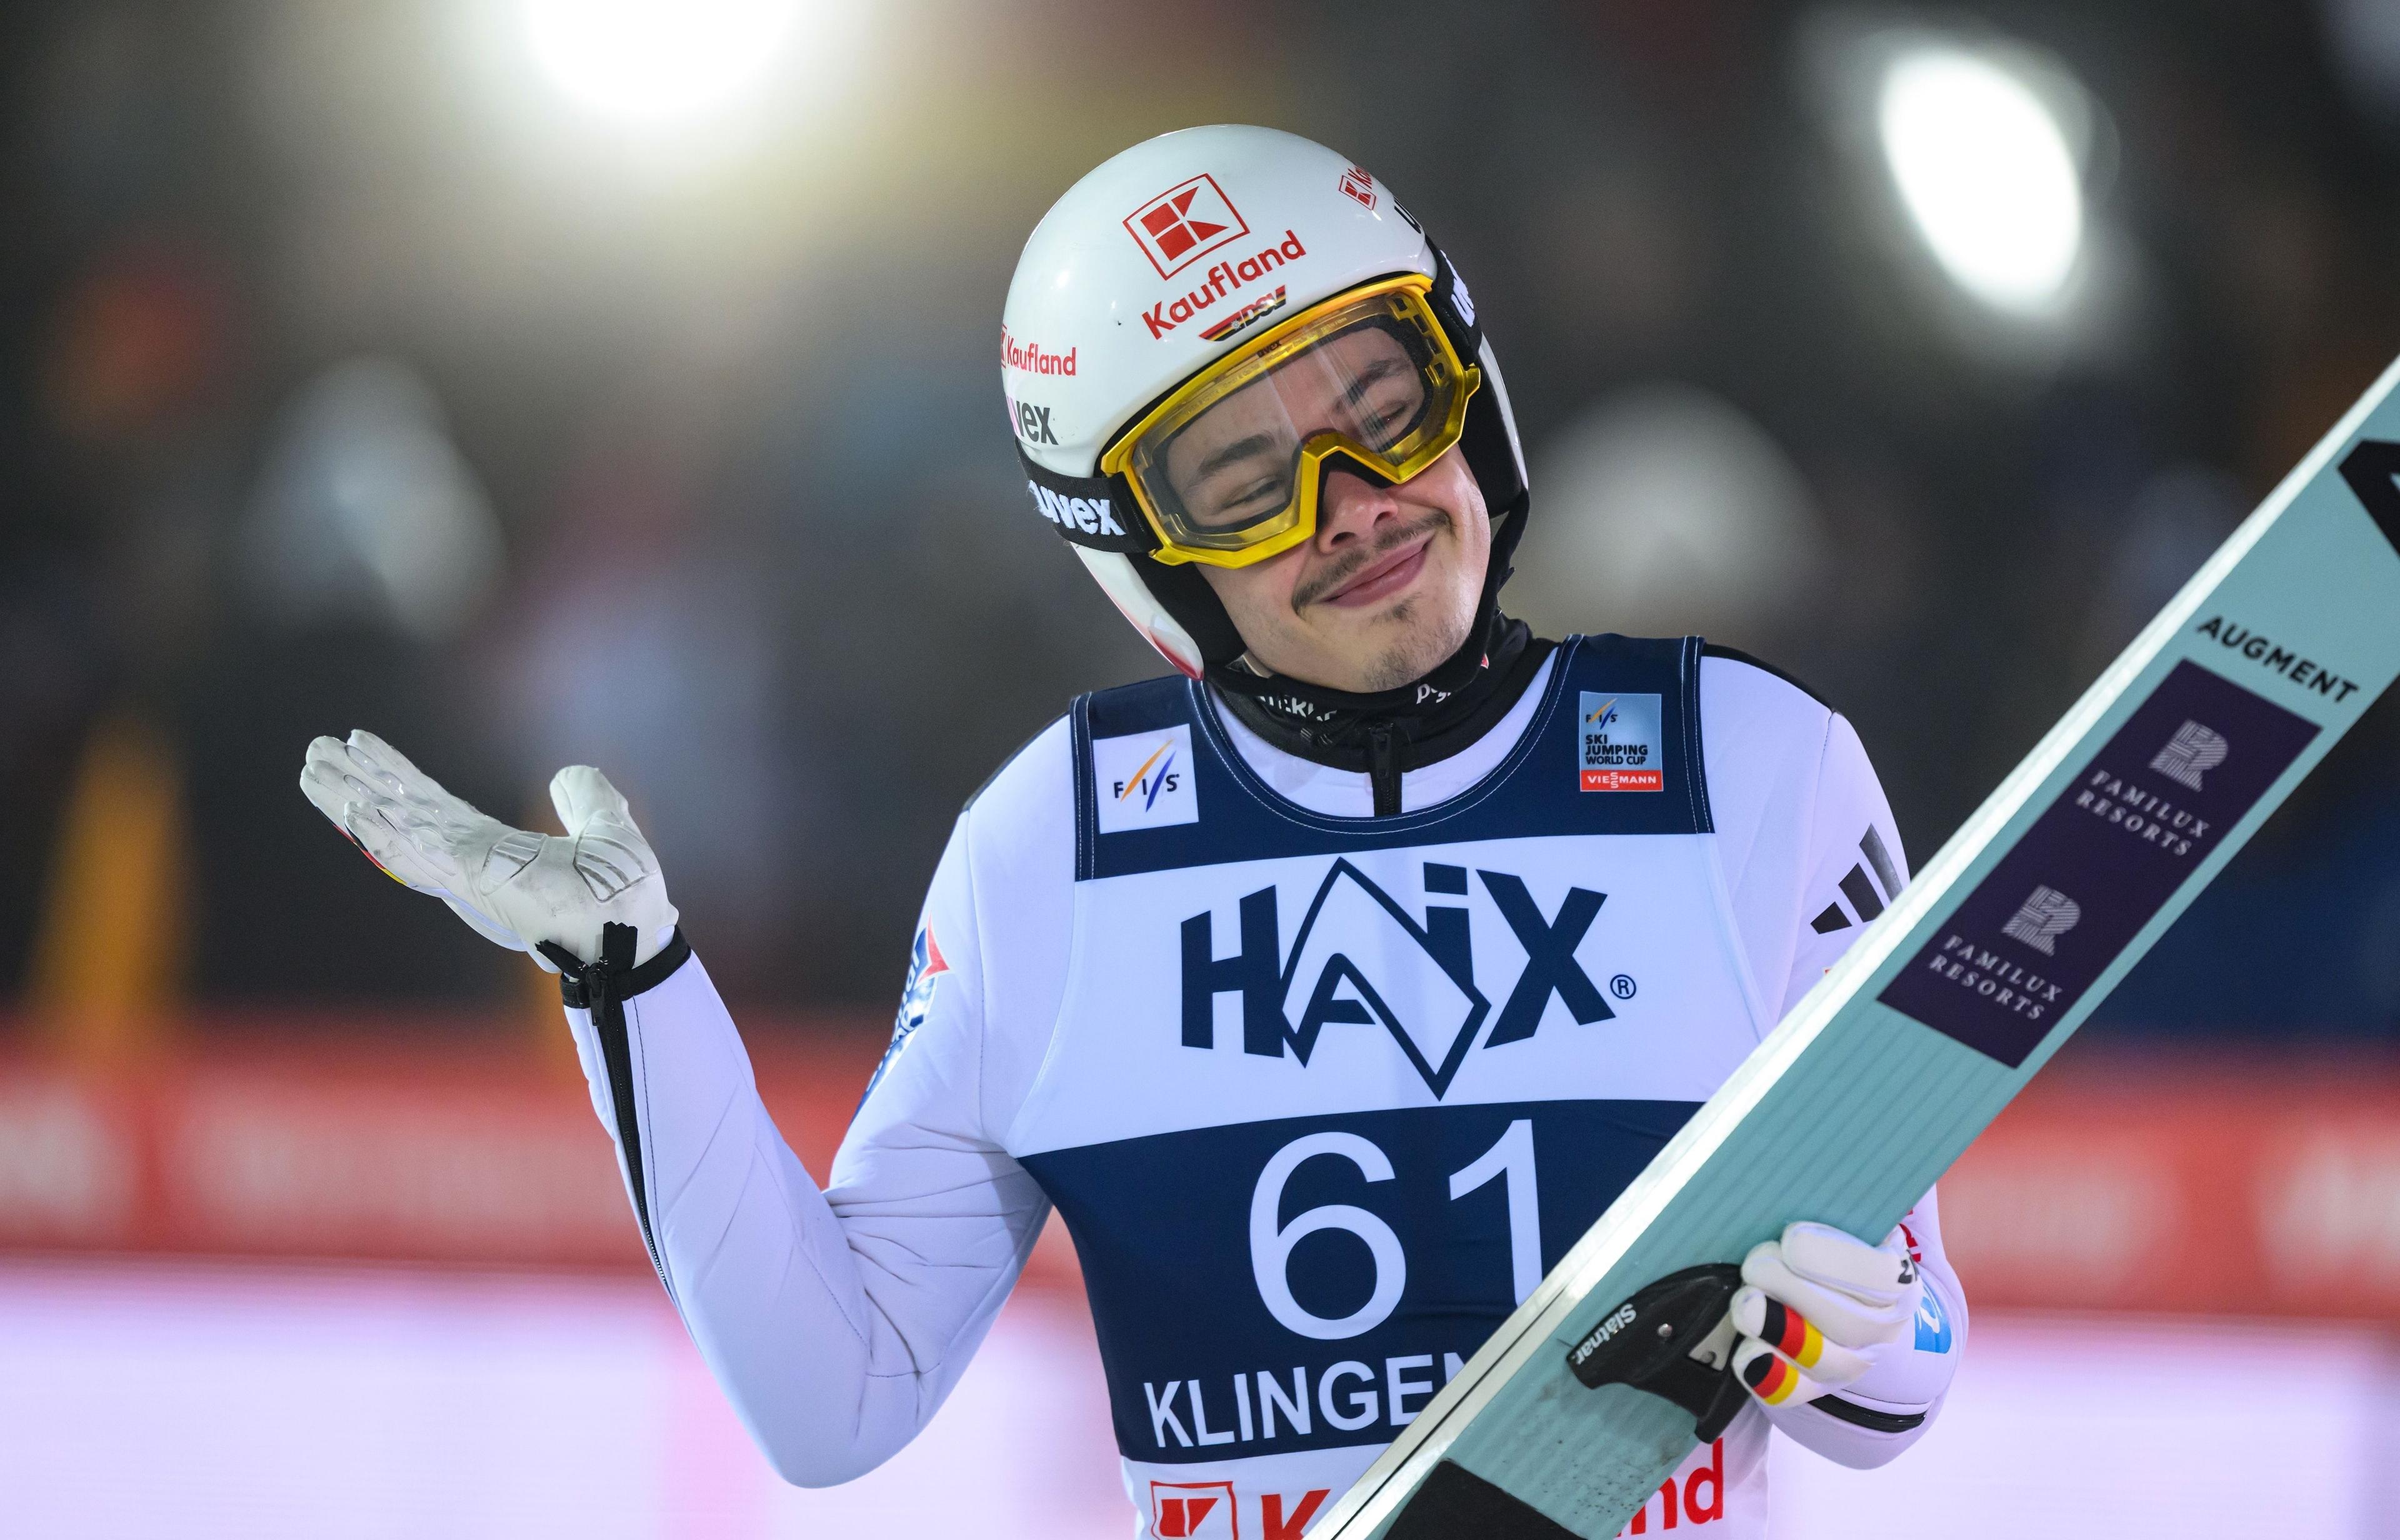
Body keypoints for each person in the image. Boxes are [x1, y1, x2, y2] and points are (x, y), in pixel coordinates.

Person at [299, 125, 1962, 1539]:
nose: (1360, 503)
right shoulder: (1054, 855)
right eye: (1245, 484)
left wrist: (1831, 1340)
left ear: (1478, 387)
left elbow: (1902, 1383)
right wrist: (631, 986)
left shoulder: (1751, 769)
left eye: (1390, 401)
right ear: (1140, 554)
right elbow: (838, 1401)